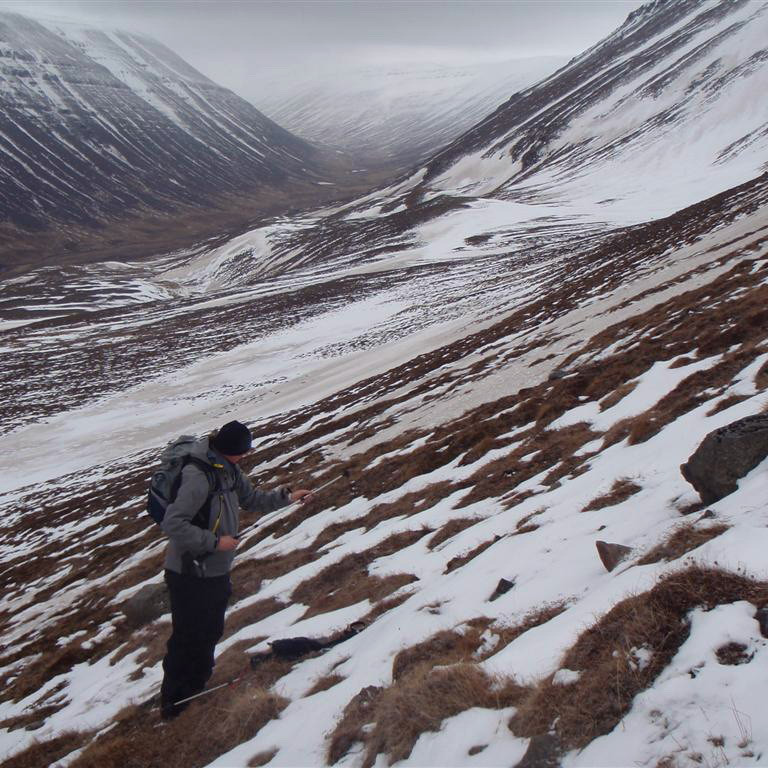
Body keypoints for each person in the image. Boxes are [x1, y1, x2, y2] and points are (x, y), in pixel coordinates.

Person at [159, 419, 312, 719]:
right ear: (227, 449)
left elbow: (251, 498)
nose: (245, 456)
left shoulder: (228, 469)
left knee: (209, 632)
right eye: (241, 451)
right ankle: (174, 704)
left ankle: (195, 689)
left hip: (214, 571)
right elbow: (173, 524)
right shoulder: (198, 476)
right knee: (188, 637)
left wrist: (288, 497)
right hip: (189, 573)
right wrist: (215, 542)